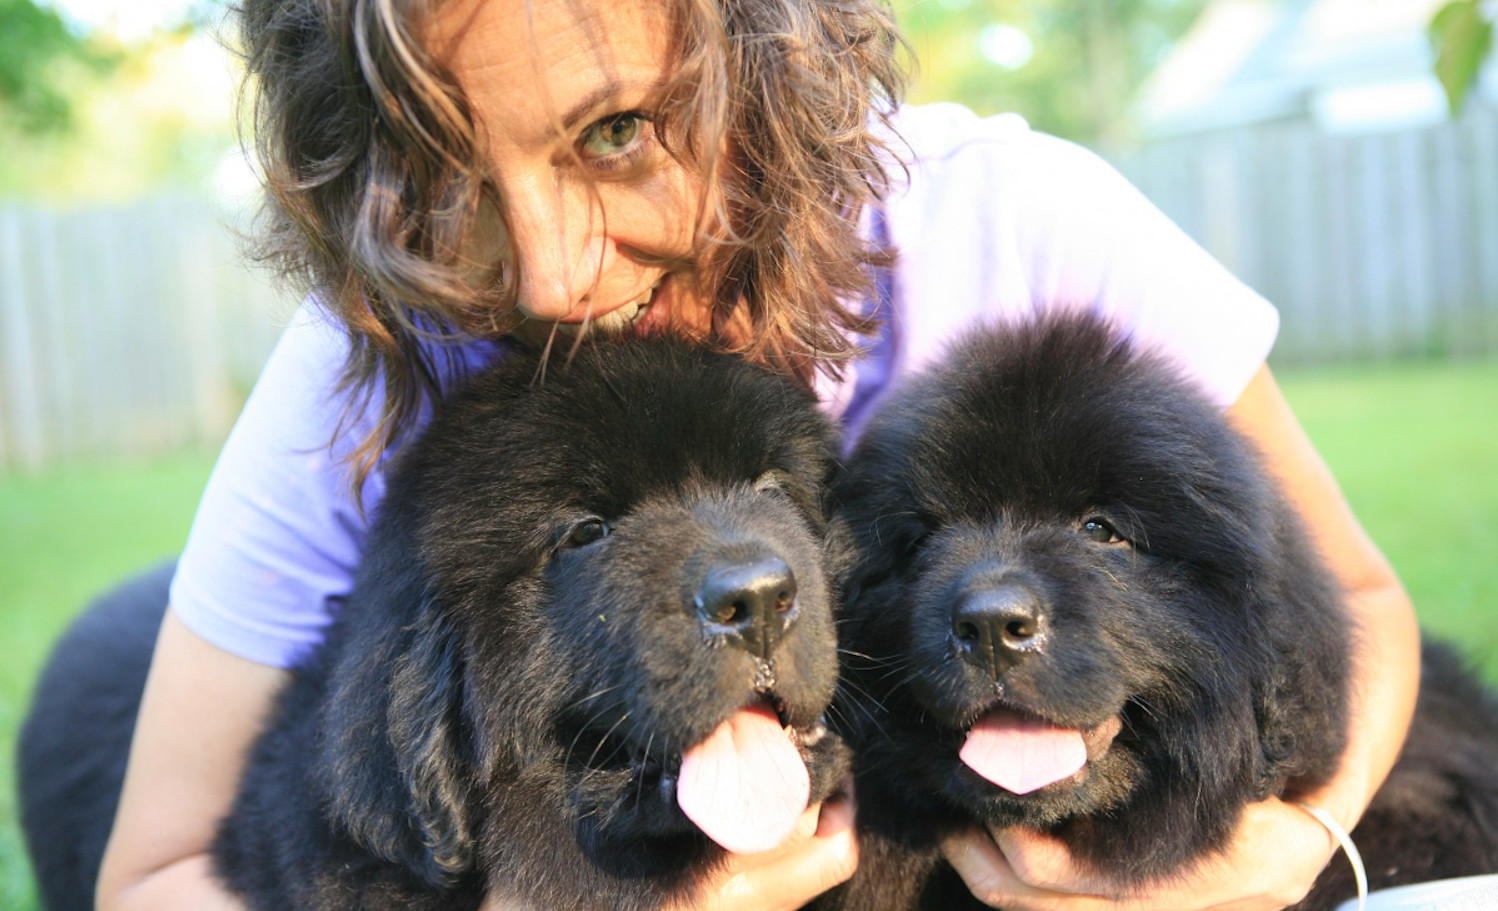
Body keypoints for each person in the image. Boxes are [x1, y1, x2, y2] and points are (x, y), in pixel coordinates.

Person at [93, 0, 1420, 909]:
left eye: (614, 134)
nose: (553, 278)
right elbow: (151, 879)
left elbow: (1353, 604)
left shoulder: (1012, 228)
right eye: (448, 185)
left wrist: (1283, 849)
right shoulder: (372, 366)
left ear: (767, 55)